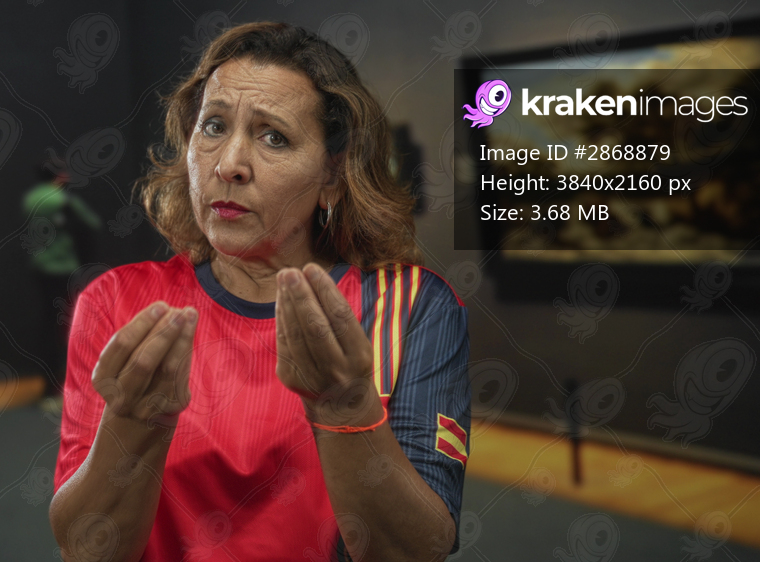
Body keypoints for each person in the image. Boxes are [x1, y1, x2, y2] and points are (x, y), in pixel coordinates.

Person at [49, 21, 470, 562]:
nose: (228, 165)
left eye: (274, 137)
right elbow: (86, 549)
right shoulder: (116, 301)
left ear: (333, 174)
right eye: (214, 126)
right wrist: (133, 426)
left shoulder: (411, 307)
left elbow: (419, 549)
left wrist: (346, 410)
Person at [22, 167, 104, 396]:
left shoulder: (30, 199)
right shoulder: (63, 200)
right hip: (64, 270)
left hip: (40, 268)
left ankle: (49, 382)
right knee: (69, 326)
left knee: (47, 324)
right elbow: (93, 223)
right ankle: (72, 380)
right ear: (58, 177)